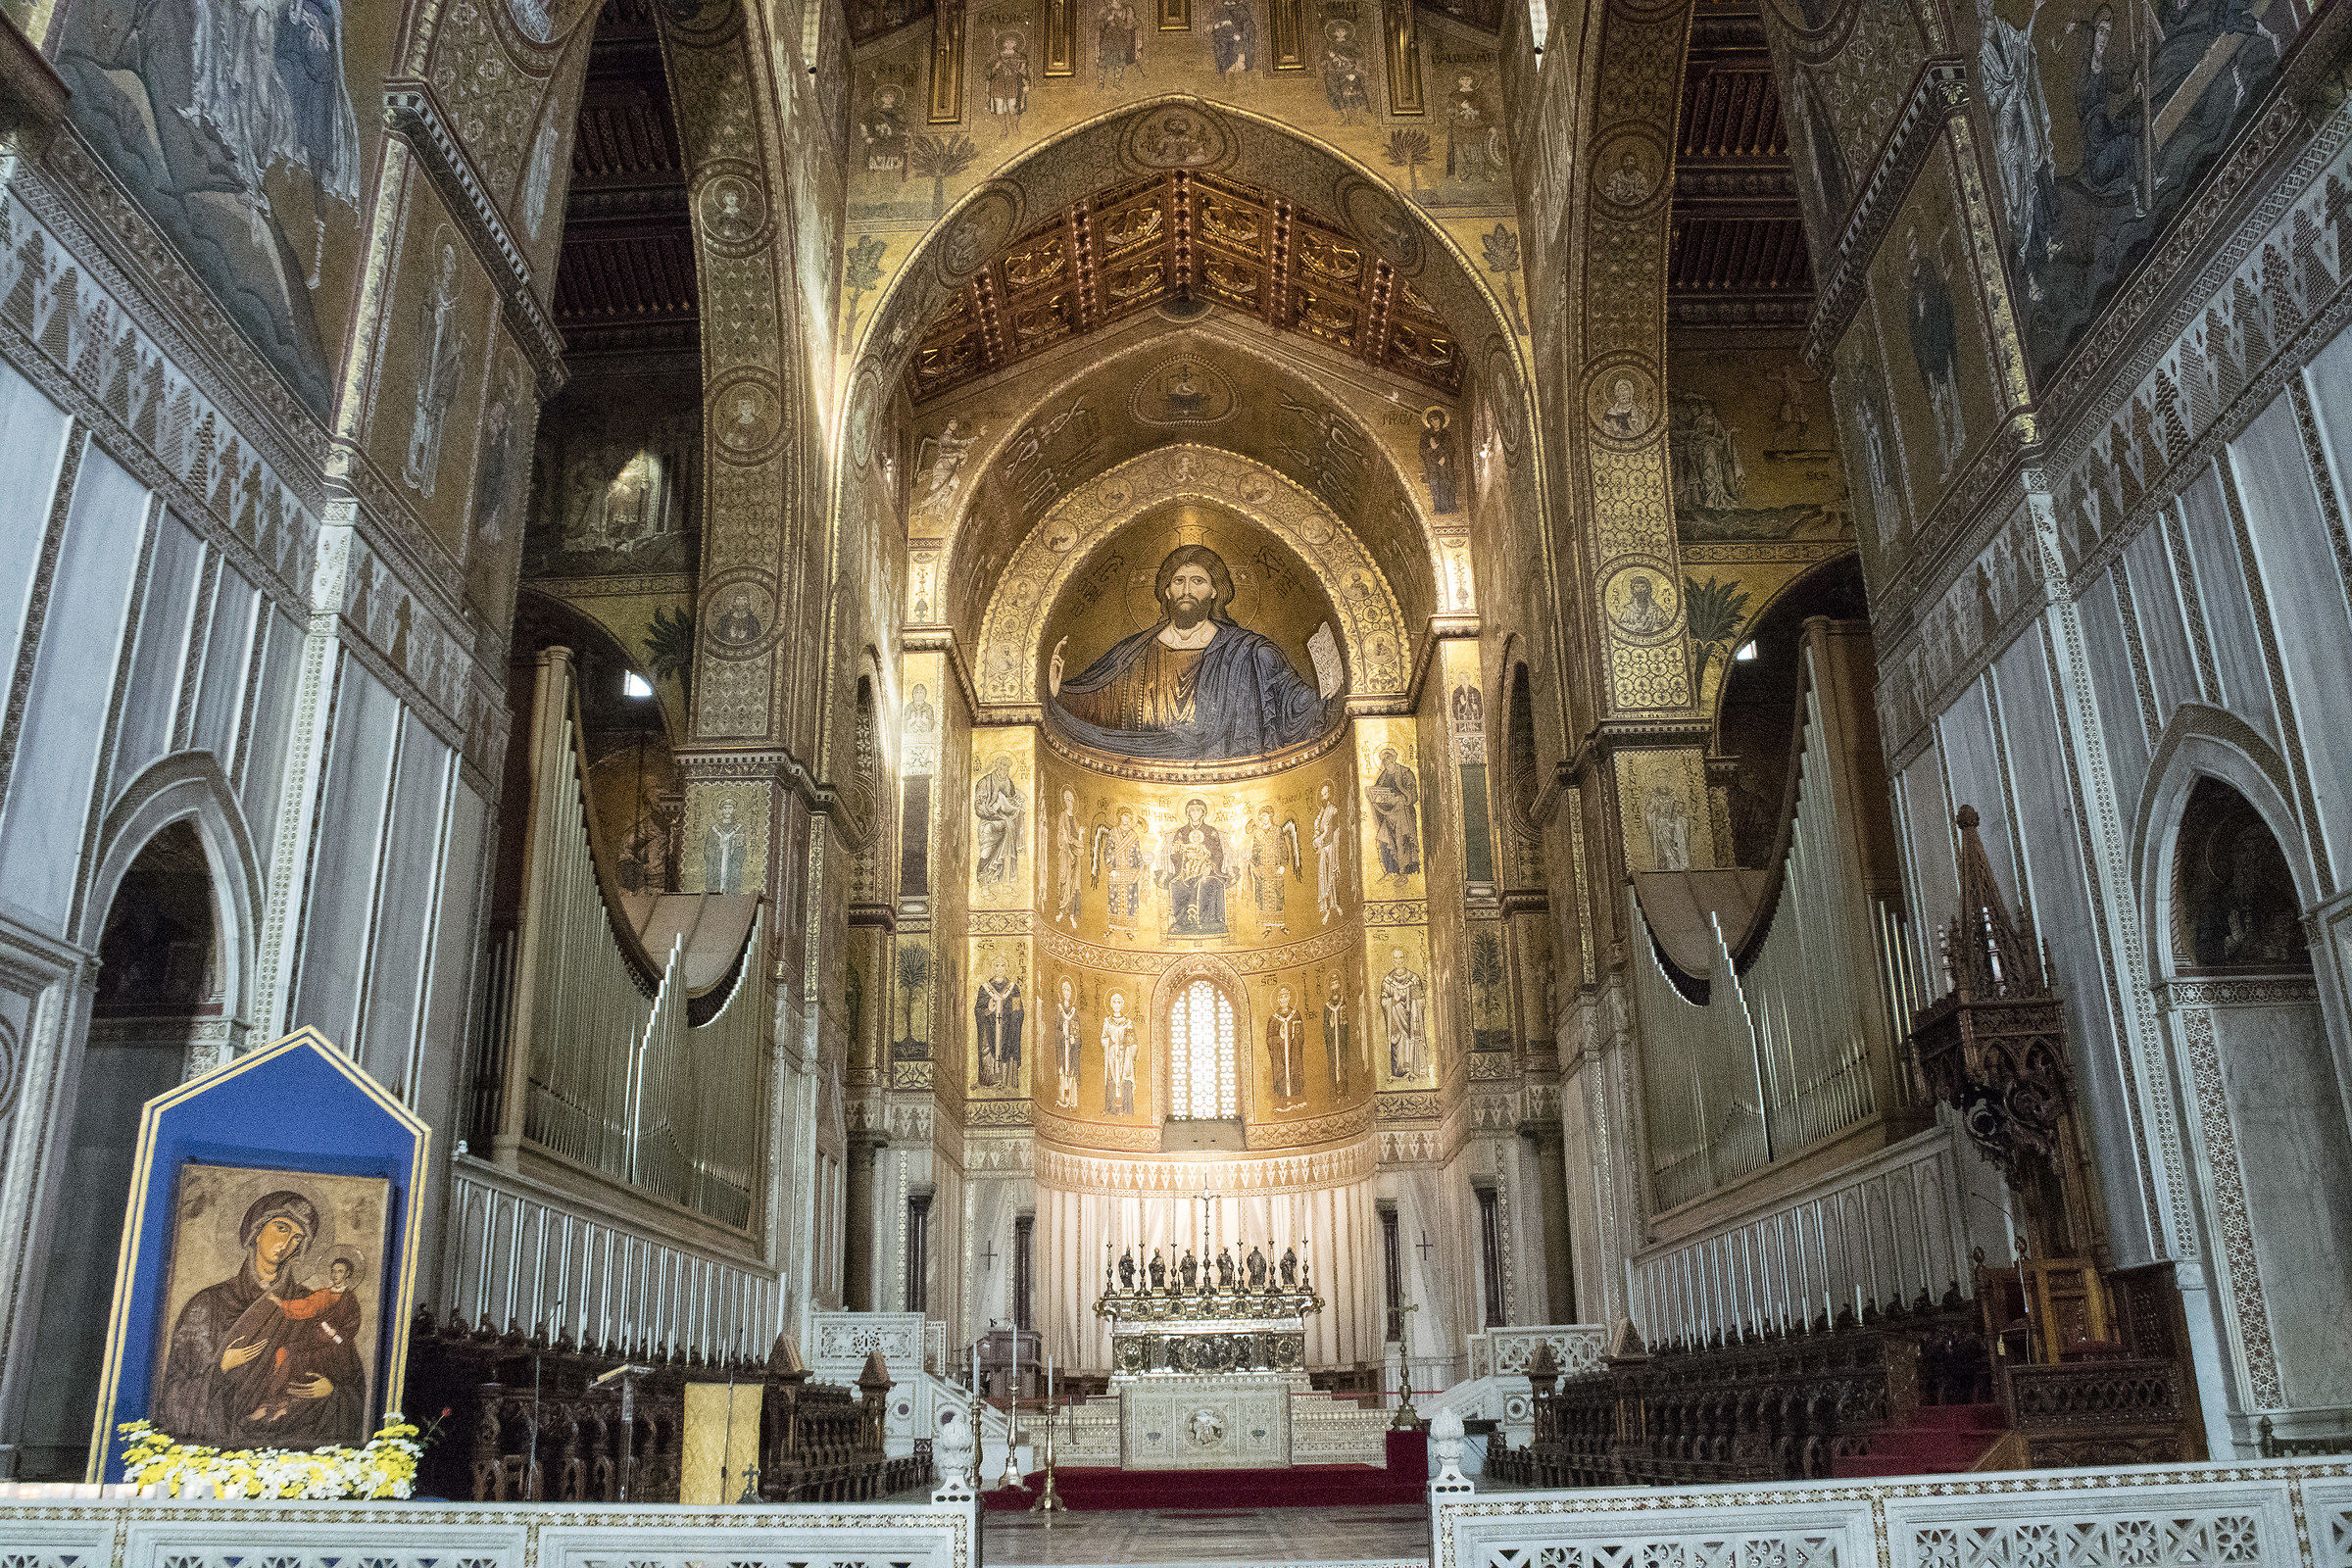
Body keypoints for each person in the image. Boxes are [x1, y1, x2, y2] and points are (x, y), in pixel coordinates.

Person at [1049, 545, 1341, 761]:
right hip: (1144, 764)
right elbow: (1095, 700)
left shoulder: (1250, 652)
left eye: (1198, 581)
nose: (1187, 590)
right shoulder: (1134, 652)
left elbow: (1295, 704)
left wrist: (1329, 695)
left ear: (1215, 591)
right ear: (1167, 591)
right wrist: (1057, 690)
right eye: (1179, 581)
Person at [156, 1191, 367, 1449]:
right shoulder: (208, 1304)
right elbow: (174, 1392)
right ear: (256, 1230)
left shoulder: (311, 1305)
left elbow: (352, 1385)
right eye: (281, 1228)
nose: (287, 1243)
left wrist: (332, 1392)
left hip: (293, 1448)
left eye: (297, 1238)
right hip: (221, 1451)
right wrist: (221, 1367)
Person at [1367, 747, 1421, 877]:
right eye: (1383, 759)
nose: (1385, 761)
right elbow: (1377, 791)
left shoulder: (1405, 773)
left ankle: (1406, 871)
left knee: (1403, 841)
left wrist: (1400, 798)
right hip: (1389, 814)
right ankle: (1391, 871)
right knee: (1383, 839)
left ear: (1393, 759)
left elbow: (1413, 795)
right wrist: (1371, 794)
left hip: (1403, 814)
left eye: (1388, 758)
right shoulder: (1383, 776)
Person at [1267, 986, 1305, 1110]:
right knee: (1281, 1072)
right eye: (1281, 997)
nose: (1283, 1000)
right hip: (1280, 1053)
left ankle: (1296, 1099)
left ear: (1289, 998)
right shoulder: (1274, 1019)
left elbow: (1301, 1035)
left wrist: (1296, 1036)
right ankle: (1283, 1100)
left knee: (1295, 1070)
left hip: (1293, 1050)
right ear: (1278, 1000)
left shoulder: (1295, 1015)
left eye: (1285, 996)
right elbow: (1269, 1039)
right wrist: (1280, 1037)